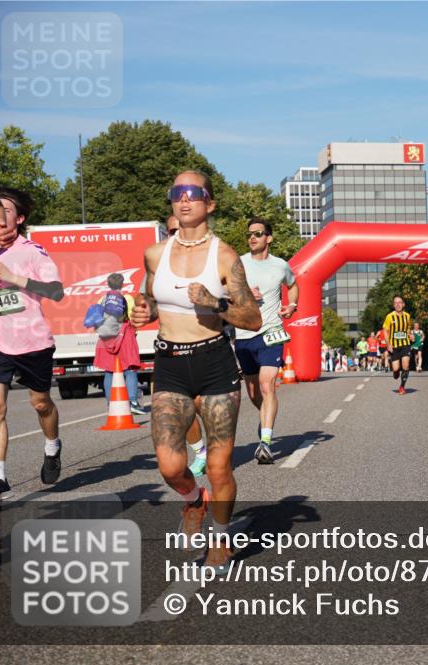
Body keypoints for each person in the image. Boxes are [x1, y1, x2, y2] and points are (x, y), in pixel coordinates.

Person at [130, 170, 261, 571]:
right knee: (170, 465)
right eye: (176, 193)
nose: (183, 200)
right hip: (170, 362)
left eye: (193, 193)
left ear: (210, 203)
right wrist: (142, 310)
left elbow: (252, 319)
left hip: (214, 361)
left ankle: (221, 539)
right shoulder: (156, 254)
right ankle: (193, 501)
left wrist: (215, 303)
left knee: (219, 466)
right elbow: (149, 298)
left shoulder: (224, 255)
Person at [0, 186, 65, 501]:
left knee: (41, 403)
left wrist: (15, 277)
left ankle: (52, 447)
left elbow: (56, 292)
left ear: (19, 218)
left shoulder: (33, 251)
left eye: (6, 209)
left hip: (33, 340)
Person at [233, 218, 298, 465]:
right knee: (253, 391)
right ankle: (266, 420)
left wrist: (292, 305)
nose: (253, 238)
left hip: (272, 332)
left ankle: (266, 442)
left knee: (266, 384)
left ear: (268, 238)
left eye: (258, 234)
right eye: (250, 234)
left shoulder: (280, 265)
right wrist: (244, 294)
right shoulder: (237, 263)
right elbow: (224, 292)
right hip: (244, 334)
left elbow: (293, 286)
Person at [163, 215, 209, 476]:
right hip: (174, 347)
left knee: (206, 406)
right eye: (171, 231)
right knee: (184, 406)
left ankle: (218, 446)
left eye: (179, 230)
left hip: (207, 344)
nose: (175, 235)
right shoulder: (160, 265)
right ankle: (201, 453)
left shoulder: (209, 260)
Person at [92, 272, 149, 415]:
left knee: (109, 370)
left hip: (106, 337)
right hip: (124, 336)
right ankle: (133, 402)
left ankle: (111, 404)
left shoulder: (102, 299)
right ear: (122, 284)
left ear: (108, 284)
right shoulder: (127, 298)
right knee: (130, 369)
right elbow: (132, 318)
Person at [383, 295, 414, 394]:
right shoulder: (389, 317)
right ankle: (395, 372)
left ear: (403, 304)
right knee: (396, 368)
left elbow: (408, 329)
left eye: (400, 302)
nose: (398, 304)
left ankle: (402, 387)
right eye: (396, 303)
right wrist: (388, 344)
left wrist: (410, 335)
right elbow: (385, 331)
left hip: (405, 344)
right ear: (393, 305)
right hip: (394, 346)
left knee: (406, 365)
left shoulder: (407, 316)